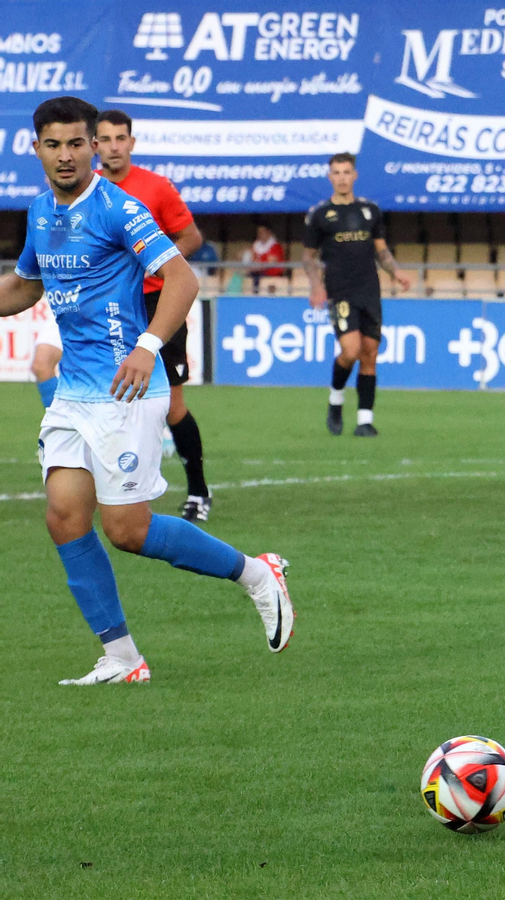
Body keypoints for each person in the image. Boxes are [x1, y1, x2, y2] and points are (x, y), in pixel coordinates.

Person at [0, 96, 294, 686]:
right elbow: (25, 287)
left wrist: (148, 346)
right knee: (64, 516)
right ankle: (122, 658)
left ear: (93, 148)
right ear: (35, 149)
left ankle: (257, 575)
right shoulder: (39, 212)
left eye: (76, 144)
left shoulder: (118, 208)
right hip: (75, 395)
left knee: (127, 530)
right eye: (52, 144)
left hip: (128, 388)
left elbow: (182, 277)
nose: (65, 155)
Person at [94, 109, 213, 522]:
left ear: (131, 143)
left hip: (157, 303)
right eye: (105, 139)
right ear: (95, 145)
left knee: (172, 404)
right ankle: (118, 487)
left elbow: (191, 236)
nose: (113, 146)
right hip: (107, 306)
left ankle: (198, 490)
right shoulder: (85, 191)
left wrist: (156, 263)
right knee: (109, 396)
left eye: (120, 138)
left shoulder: (155, 187)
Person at [303, 153, 411, 437]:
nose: (341, 177)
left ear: (355, 176)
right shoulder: (320, 215)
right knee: (350, 351)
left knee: (370, 354)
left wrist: (395, 272)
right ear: (330, 177)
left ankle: (364, 421)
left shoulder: (369, 211)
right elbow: (307, 257)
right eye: (336, 172)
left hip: (369, 290)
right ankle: (336, 399)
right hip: (340, 291)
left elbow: (382, 250)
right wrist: (316, 285)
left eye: (346, 172)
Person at [248, 224, 286, 292]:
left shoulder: (275, 246)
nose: (260, 234)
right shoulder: (256, 245)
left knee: (256, 277)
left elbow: (269, 263)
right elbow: (251, 257)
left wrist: (256, 267)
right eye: (258, 232)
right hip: (257, 271)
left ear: (268, 233)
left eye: (262, 232)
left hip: (271, 273)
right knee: (241, 275)